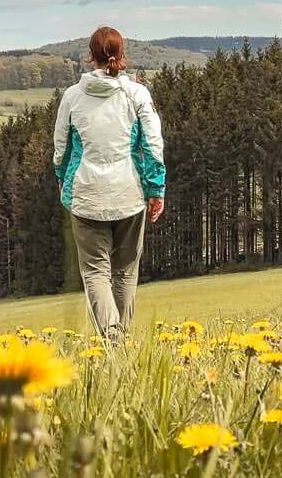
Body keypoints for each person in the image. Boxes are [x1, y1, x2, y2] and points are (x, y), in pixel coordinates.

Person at [53, 26, 165, 342]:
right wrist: (156, 189)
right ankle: (120, 339)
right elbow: (153, 145)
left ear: (90, 56)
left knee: (94, 272)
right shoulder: (137, 95)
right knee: (126, 271)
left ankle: (111, 339)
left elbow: (61, 149)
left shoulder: (72, 97)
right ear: (122, 55)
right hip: (130, 195)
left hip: (85, 196)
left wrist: (64, 183)